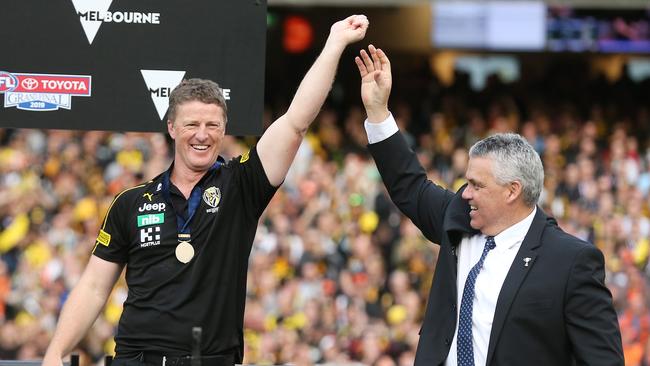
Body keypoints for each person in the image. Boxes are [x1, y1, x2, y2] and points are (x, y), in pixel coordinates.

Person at [43, 15, 369, 366]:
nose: (202, 134)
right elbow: (94, 287)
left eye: (212, 125)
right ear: (171, 128)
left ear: (224, 128)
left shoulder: (241, 185)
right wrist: (55, 351)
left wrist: (334, 43)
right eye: (192, 124)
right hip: (135, 359)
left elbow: (296, 122)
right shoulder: (131, 202)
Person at [355, 45, 624, 365]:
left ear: (513, 191)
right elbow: (409, 186)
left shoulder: (570, 261)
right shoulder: (458, 218)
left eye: (477, 185)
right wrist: (377, 112)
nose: (465, 193)